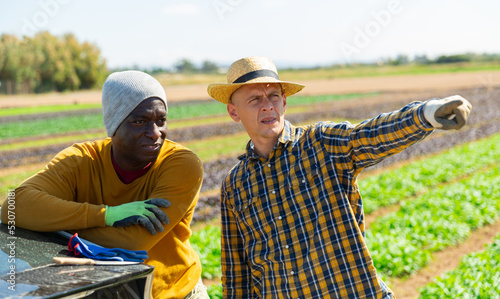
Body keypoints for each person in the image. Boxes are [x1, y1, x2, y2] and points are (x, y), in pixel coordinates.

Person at [207, 56, 472, 298]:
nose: (267, 106)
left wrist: (426, 115)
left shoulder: (321, 143)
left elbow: (370, 135)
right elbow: (236, 273)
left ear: (284, 103)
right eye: (255, 99)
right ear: (234, 111)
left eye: (273, 96)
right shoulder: (235, 184)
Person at [1, 71, 209, 299]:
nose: (155, 133)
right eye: (140, 121)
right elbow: (14, 207)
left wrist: (55, 224)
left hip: (174, 292)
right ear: (114, 124)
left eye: (161, 120)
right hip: (106, 291)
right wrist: (106, 215)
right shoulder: (81, 160)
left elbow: (134, 243)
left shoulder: (180, 163)